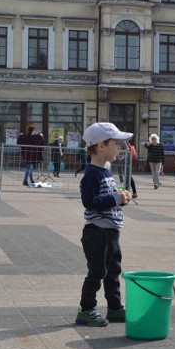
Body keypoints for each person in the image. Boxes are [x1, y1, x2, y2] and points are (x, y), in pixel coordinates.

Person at [75, 122, 133, 327]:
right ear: (101, 146)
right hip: (96, 233)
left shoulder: (106, 171)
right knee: (97, 272)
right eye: (116, 143)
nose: (119, 147)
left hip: (110, 232)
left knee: (113, 270)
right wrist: (115, 199)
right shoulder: (92, 173)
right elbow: (90, 202)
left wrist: (121, 199)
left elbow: (108, 199)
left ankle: (114, 307)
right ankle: (86, 309)